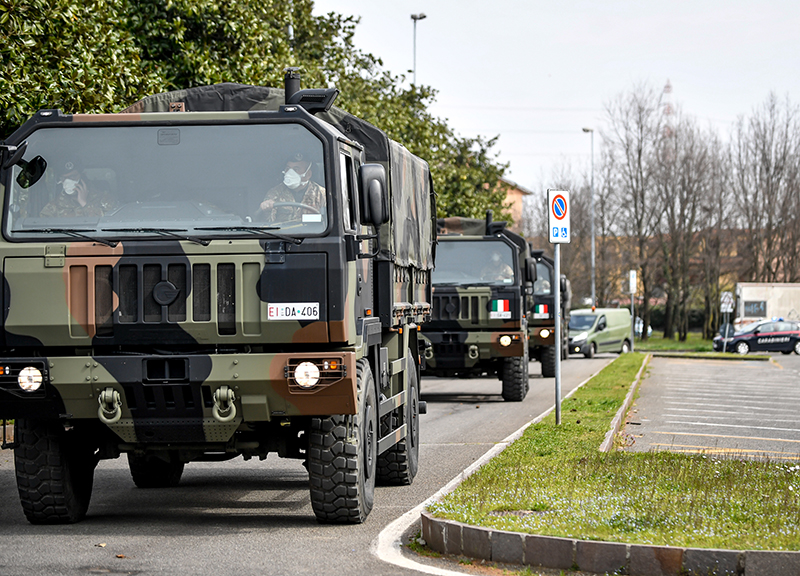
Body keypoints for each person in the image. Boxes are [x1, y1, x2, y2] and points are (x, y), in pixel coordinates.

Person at [258, 152, 325, 223]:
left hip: (315, 234)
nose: (290, 172)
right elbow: (267, 225)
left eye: (296, 169)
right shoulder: (274, 193)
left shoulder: (322, 194)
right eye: (288, 168)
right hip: (281, 233)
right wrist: (266, 209)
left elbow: (328, 223)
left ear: (308, 174)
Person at [40, 161, 117, 218]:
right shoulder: (55, 205)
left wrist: (84, 203)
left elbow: (110, 225)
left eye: (73, 176)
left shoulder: (104, 199)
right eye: (64, 178)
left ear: (83, 176)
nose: (68, 181)